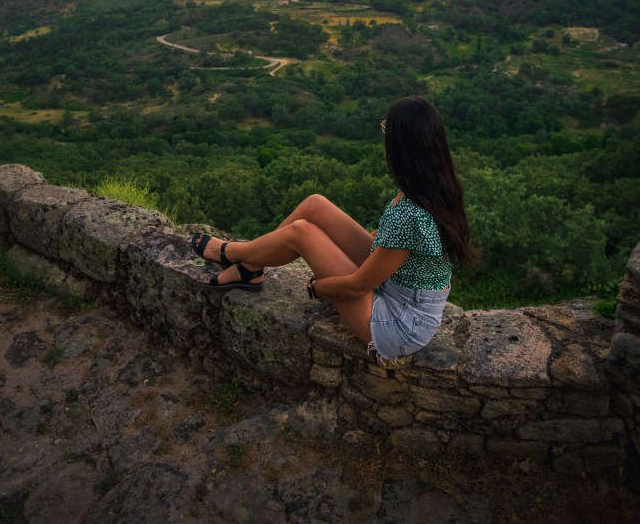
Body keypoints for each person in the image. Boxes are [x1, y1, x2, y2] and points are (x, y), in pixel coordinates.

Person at [190, 95, 477, 361]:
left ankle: (232, 253)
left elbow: (357, 286)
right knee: (314, 205)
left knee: (302, 233)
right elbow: (397, 245)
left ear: (400, 144)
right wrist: (350, 245)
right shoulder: (434, 185)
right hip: (397, 284)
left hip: (399, 323)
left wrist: (317, 288)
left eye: (386, 129)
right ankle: (249, 266)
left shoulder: (411, 211)